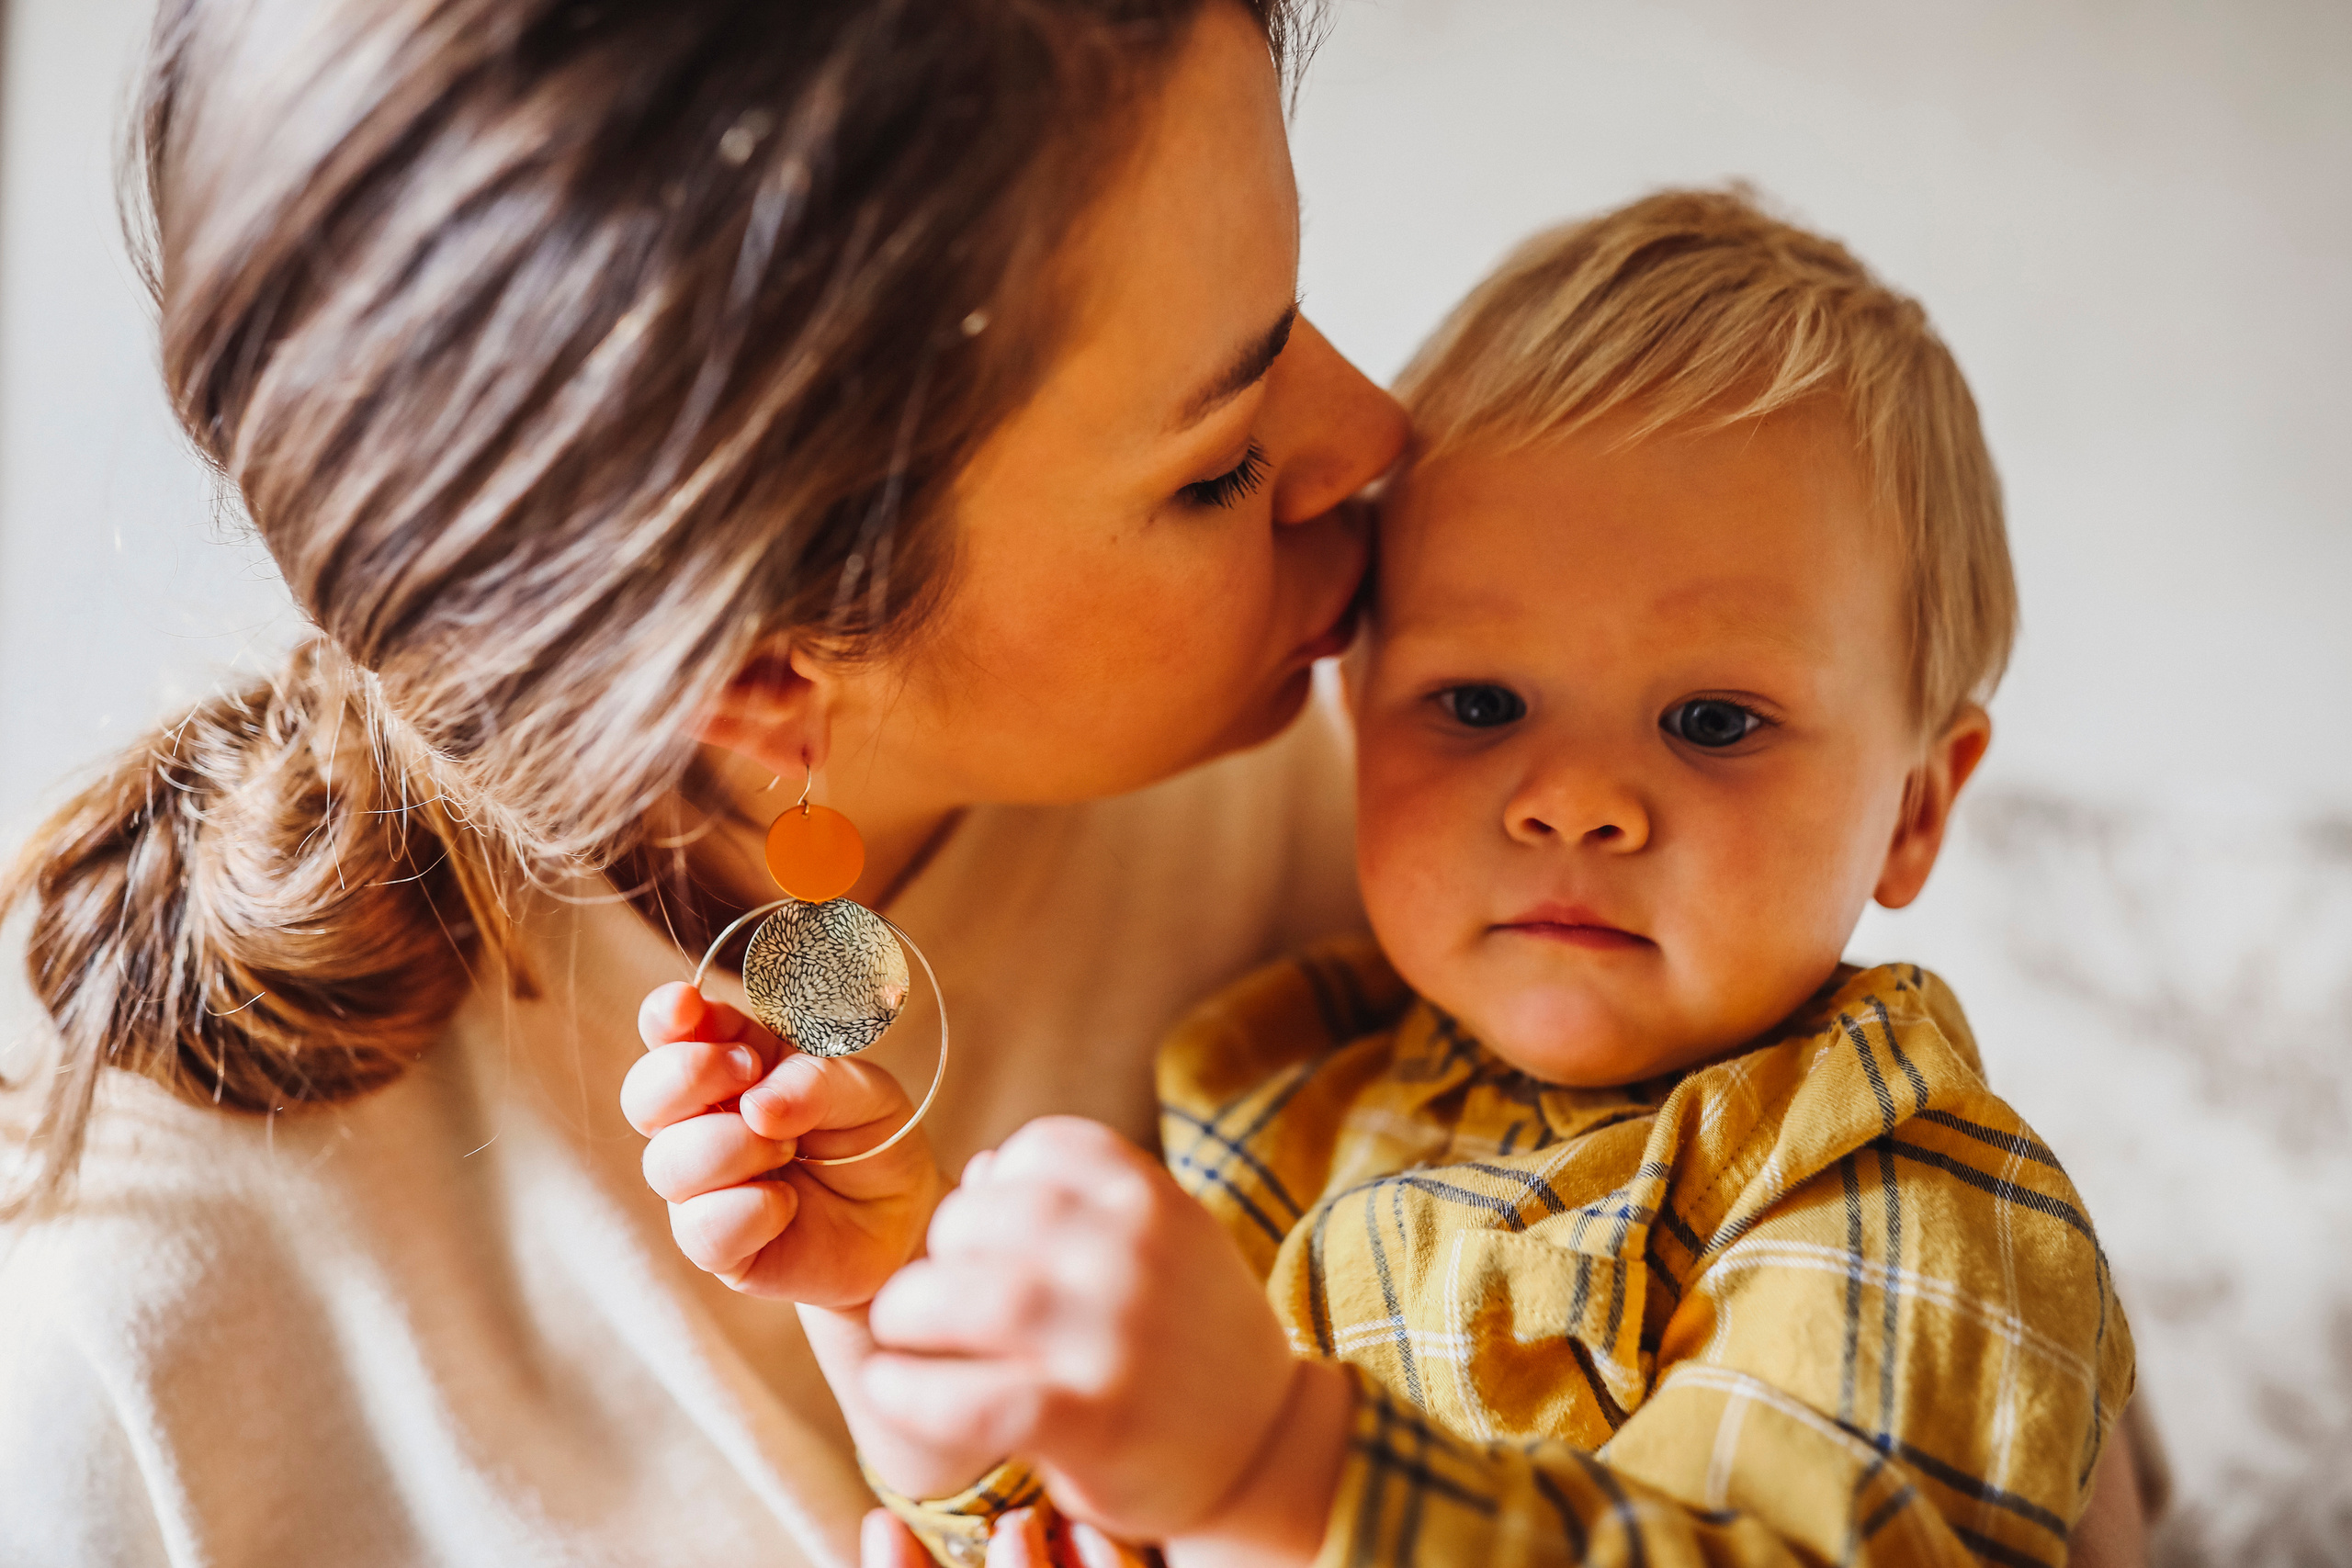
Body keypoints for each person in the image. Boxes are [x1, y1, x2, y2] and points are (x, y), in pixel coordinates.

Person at [0, 0, 2152, 1562]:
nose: (1377, 447)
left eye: (1295, 308)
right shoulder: (138, 1334)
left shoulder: (1396, 859)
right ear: (771, 682)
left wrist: (1174, 1448)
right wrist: (931, 1361)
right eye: (1217, 456)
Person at [631, 192, 2141, 1566]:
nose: (1571, 803)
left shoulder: (1889, 1188)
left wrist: (1282, 1471)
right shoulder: (1271, 1086)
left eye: (1714, 722)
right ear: (1361, 711)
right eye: (1480, 705)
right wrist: (912, 1339)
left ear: (1915, 813)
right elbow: (1131, 1503)